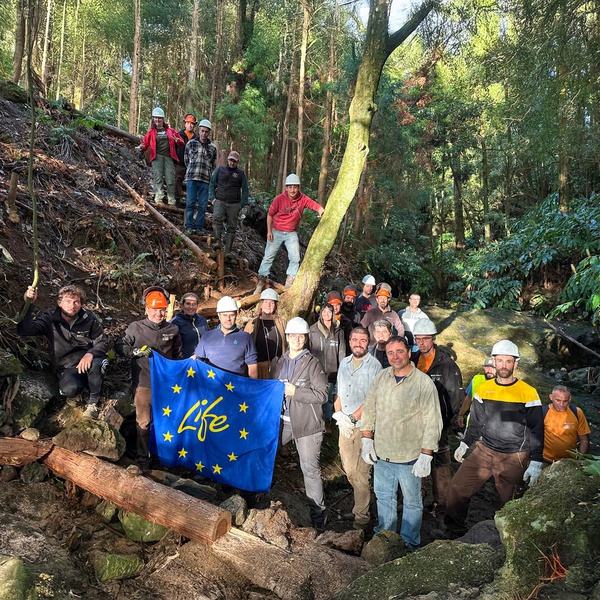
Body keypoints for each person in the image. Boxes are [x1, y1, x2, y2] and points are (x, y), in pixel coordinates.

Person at [442, 340, 544, 539]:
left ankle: (510, 541)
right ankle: (453, 532)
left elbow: (537, 428)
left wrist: (537, 461)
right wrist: (465, 443)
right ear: (494, 363)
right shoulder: (484, 388)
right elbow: (477, 421)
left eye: (508, 361)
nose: (504, 365)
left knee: (511, 502)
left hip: (514, 456)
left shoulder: (528, 392)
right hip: (484, 451)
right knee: (457, 487)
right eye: (500, 361)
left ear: (516, 364)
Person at [360, 336, 443, 550]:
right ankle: (385, 539)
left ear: (408, 352)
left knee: (412, 502)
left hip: (410, 456)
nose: (395, 357)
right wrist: (367, 437)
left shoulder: (423, 383)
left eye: (399, 351)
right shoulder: (381, 378)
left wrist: (426, 453)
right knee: (384, 497)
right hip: (383, 453)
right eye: (390, 353)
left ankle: (409, 543)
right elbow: (369, 408)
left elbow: (433, 420)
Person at [269, 317, 328, 530]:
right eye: (292, 335)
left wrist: (296, 392)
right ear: (287, 338)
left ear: (305, 338)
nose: (296, 339)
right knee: (266, 454)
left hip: (307, 424)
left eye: (300, 336)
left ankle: (318, 517)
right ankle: (259, 494)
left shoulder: (313, 363)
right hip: (281, 422)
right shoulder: (279, 362)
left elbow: (322, 395)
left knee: (310, 470)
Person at [16, 285, 109, 419]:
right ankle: (81, 388)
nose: (72, 305)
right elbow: (24, 330)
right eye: (68, 301)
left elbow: (102, 342)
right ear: (59, 303)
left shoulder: (89, 318)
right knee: (69, 390)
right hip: (67, 366)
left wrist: (91, 353)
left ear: (81, 304)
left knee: (97, 363)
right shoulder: (50, 319)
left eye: (76, 302)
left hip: (90, 361)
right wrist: (28, 303)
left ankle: (93, 403)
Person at [115, 287, 183, 465]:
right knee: (143, 422)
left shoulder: (173, 329)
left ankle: (165, 458)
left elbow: (178, 356)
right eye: (154, 310)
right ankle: (142, 458)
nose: (158, 314)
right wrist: (134, 352)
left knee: (167, 422)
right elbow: (120, 346)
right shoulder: (135, 328)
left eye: (162, 310)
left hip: (168, 385)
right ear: (146, 309)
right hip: (144, 382)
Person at [411, 318, 463, 517]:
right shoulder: (413, 360)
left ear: (433, 338)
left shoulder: (446, 364)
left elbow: (456, 395)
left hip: (438, 421)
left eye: (425, 339)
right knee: (414, 459)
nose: (421, 343)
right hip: (415, 420)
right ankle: (417, 499)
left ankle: (442, 506)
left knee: (440, 464)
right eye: (418, 339)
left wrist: (448, 422)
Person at [333, 326, 382, 529]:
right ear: (350, 341)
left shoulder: (375, 366)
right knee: (349, 472)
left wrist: (353, 418)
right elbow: (339, 393)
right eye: (355, 340)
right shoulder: (344, 363)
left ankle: (361, 518)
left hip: (365, 427)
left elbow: (373, 399)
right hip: (345, 426)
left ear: (368, 343)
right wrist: (339, 416)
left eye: (362, 340)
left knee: (361, 474)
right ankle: (363, 505)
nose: (358, 344)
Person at [254, 174, 324, 292]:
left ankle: (289, 282)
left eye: (295, 187)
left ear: (298, 187)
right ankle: (261, 281)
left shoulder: (302, 199)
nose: (292, 190)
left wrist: (320, 210)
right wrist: (269, 231)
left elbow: (313, 204)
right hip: (277, 231)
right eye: (290, 187)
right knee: (268, 256)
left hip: (291, 233)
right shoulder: (279, 199)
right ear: (286, 188)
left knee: (295, 257)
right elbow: (270, 214)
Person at [192, 296, 258, 378]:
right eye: (225, 315)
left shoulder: (245, 337)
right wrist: (194, 358)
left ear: (237, 315)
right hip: (212, 385)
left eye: (231, 315)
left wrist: (252, 387)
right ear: (219, 315)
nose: (228, 319)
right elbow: (198, 359)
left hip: (235, 387)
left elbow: (252, 366)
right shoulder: (207, 336)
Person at [136, 107, 184, 206]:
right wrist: (141, 147)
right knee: (158, 177)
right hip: (156, 156)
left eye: (160, 118)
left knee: (170, 178)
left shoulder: (171, 131)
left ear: (163, 119)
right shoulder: (151, 132)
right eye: (156, 118)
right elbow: (145, 144)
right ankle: (159, 199)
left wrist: (177, 141)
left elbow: (181, 142)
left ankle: (171, 200)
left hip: (168, 157)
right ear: (153, 119)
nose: (157, 120)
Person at [308, 303, 347, 420]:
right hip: (316, 371)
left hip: (332, 371)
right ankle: (315, 420)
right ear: (320, 314)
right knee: (316, 396)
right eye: (324, 311)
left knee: (329, 397)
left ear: (333, 314)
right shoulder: (312, 330)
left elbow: (341, 352)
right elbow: (308, 350)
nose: (326, 314)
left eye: (329, 312)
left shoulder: (338, 331)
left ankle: (327, 420)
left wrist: (342, 369)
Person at [209, 150, 249, 255]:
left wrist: (240, 205)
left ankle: (228, 251)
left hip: (234, 204)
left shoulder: (241, 174)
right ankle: (217, 242)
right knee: (217, 220)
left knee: (232, 227)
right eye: (231, 160)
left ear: (237, 162)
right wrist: (212, 198)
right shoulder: (220, 170)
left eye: (234, 161)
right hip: (220, 201)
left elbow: (245, 191)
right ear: (228, 159)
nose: (232, 163)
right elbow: (212, 184)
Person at [184, 118, 217, 234]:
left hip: (205, 180)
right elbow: (186, 160)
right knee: (190, 202)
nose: (204, 134)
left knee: (202, 205)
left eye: (206, 132)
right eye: (202, 131)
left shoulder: (213, 148)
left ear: (209, 133)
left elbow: (213, 164)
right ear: (199, 131)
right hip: (192, 178)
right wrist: (191, 170)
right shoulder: (191, 143)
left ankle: (198, 227)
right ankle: (188, 225)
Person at [244, 288, 287, 379]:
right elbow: (245, 346)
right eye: (266, 302)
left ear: (275, 306)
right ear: (261, 305)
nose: (268, 305)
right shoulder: (252, 323)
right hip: (259, 370)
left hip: (279, 369)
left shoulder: (282, 323)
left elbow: (287, 344)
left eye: (271, 303)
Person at [542, 385, 590, 463]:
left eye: (565, 401)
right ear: (551, 397)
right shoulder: (543, 412)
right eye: (558, 400)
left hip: (570, 461)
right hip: (547, 459)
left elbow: (584, 440)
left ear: (570, 399)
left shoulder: (577, 412)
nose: (561, 404)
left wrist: (580, 460)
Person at [457, 357, 496, 428]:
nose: (489, 370)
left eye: (493, 368)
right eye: (487, 367)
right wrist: (460, 415)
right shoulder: (477, 379)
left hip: (491, 428)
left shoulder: (503, 384)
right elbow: (468, 398)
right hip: (473, 425)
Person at [170, 292, 209, 358]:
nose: (191, 307)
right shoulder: (175, 322)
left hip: (203, 361)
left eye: (194, 304)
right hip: (186, 362)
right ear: (182, 305)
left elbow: (208, 339)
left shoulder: (202, 320)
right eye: (188, 304)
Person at [175, 114, 198, 204]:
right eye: (188, 123)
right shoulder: (179, 135)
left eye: (192, 123)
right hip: (180, 163)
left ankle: (190, 201)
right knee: (177, 180)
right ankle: (177, 199)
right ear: (185, 124)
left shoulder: (196, 138)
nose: (190, 125)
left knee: (191, 183)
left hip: (192, 165)